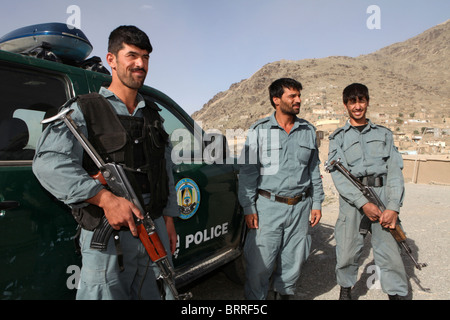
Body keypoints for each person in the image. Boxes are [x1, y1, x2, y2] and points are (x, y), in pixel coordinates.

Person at [32, 25, 179, 300]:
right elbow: (48, 163)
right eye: (132, 55)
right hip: (109, 234)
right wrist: (104, 199)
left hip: (153, 228)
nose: (140, 64)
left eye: (145, 57)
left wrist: (168, 219)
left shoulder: (153, 115)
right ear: (111, 60)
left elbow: (165, 170)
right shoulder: (84, 109)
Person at [238, 78, 324, 300]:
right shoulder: (259, 130)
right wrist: (249, 207)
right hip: (268, 207)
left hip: (300, 207)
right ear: (277, 100)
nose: (298, 100)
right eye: (292, 96)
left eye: (299, 96)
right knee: (259, 266)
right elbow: (248, 173)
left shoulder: (307, 130)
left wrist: (316, 203)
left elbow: (314, 170)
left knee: (292, 264)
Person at [327, 83, 408, 300]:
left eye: (361, 100)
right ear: (345, 105)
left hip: (382, 197)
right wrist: (363, 203)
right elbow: (338, 176)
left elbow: (394, 173)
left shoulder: (384, 135)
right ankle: (346, 289)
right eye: (352, 101)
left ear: (367, 102)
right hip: (353, 200)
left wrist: (393, 206)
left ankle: (396, 293)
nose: (357, 106)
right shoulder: (338, 138)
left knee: (390, 252)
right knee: (347, 250)